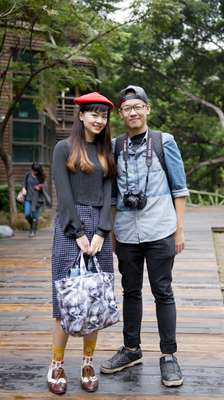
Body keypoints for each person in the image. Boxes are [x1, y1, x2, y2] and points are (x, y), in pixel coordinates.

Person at [100, 85, 189, 387]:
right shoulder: (114, 145)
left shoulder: (165, 142)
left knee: (163, 291)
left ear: (147, 109)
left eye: (138, 106)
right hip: (126, 231)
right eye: (127, 108)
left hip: (161, 229)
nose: (133, 112)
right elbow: (112, 194)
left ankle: (169, 355)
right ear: (122, 113)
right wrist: (111, 231)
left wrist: (179, 230)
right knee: (131, 291)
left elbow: (180, 189)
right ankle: (131, 348)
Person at [48, 92, 115, 395]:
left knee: (95, 297)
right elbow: (63, 195)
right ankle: (57, 364)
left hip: (100, 231)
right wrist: (78, 233)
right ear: (81, 115)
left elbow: (109, 194)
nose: (99, 121)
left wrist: (101, 233)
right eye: (94, 114)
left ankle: (88, 362)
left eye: (103, 116)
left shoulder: (105, 151)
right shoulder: (63, 148)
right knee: (65, 298)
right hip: (69, 227)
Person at [20, 162, 49, 237]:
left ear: (38, 171)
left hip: (37, 199)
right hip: (28, 198)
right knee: (27, 214)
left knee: (35, 216)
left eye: (35, 171)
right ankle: (32, 226)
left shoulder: (41, 177)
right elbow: (23, 183)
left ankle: (33, 231)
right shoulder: (27, 175)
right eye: (33, 170)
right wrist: (23, 188)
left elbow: (45, 185)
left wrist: (40, 186)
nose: (34, 172)